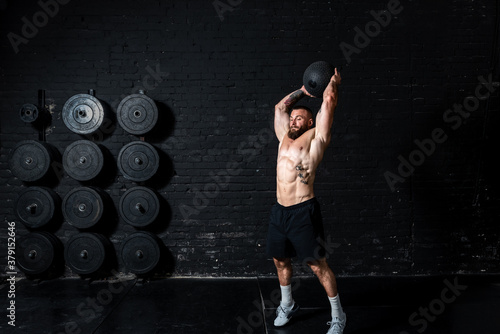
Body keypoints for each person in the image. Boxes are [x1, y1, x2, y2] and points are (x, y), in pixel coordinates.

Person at [266, 68, 346, 334]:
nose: (294, 120)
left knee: (316, 265)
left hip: (303, 211)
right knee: (280, 260)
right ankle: (287, 305)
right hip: (280, 212)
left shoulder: (316, 139)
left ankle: (338, 316)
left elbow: (329, 103)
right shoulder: (282, 139)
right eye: (294, 117)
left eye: (300, 118)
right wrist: (304, 91)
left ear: (310, 123)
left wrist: (331, 83)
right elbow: (279, 107)